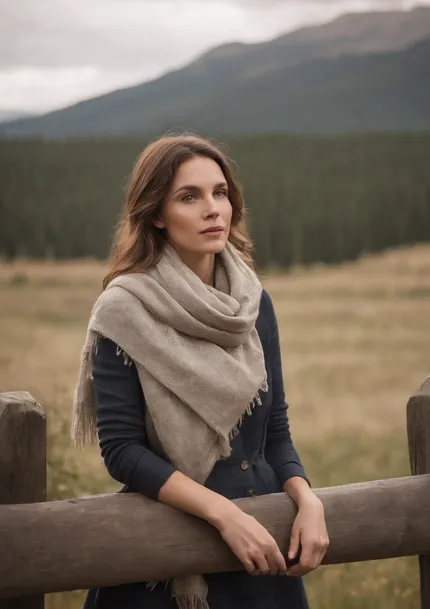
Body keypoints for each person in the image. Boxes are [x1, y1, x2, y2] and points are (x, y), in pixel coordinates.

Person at [72, 135, 329, 609]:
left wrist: (307, 499)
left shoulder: (253, 303)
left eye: (220, 192)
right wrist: (222, 515)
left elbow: (275, 429)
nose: (213, 209)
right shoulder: (124, 310)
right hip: (166, 548)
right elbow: (122, 451)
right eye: (189, 197)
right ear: (155, 213)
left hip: (264, 545)